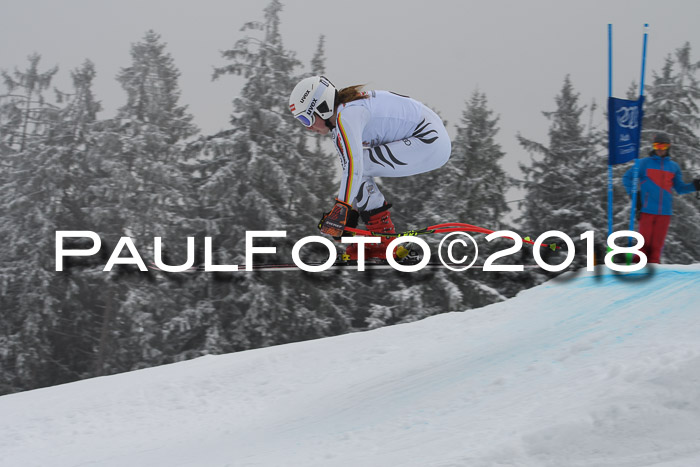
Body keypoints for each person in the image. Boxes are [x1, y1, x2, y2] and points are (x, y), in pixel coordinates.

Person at [288, 76, 451, 260]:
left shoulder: (347, 115)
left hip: (429, 140)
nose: (308, 128)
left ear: (321, 108)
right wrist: (349, 211)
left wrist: (342, 210)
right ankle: (382, 240)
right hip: (430, 139)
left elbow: (355, 168)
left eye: (305, 119)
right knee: (360, 168)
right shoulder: (343, 119)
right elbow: (354, 172)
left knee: (360, 166)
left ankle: (385, 241)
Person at [622, 132, 700, 263]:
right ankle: (636, 267)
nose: (659, 149)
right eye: (656, 146)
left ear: (668, 147)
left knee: (657, 245)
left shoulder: (673, 167)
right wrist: (634, 194)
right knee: (644, 244)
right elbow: (627, 177)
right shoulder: (643, 163)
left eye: (662, 146)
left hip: (665, 212)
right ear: (653, 147)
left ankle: (654, 270)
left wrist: (695, 186)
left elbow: (680, 188)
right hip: (646, 209)